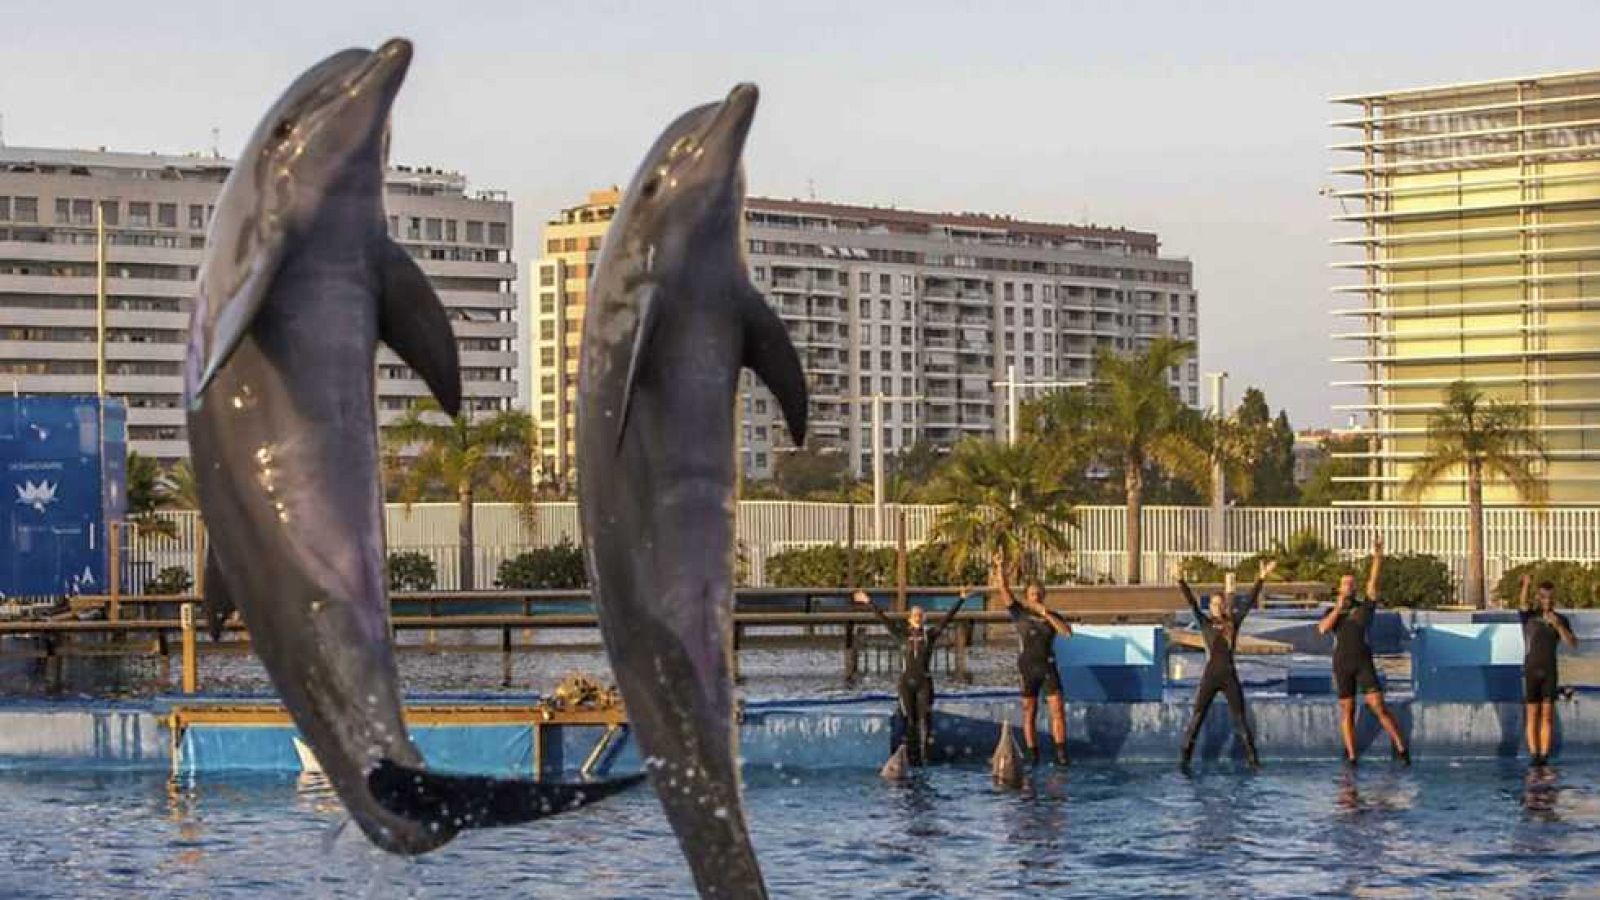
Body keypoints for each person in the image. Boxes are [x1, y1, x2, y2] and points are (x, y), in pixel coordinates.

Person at [1317, 534, 1409, 765]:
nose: (1348, 586)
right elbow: (1323, 629)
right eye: (1345, 584)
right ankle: (1351, 756)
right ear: (1339, 588)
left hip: (1363, 662)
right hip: (1342, 664)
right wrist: (1337, 609)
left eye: (1351, 583)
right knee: (1347, 709)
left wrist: (1377, 558)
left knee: (1378, 706)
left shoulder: (1364, 608)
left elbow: (1372, 584)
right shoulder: (1332, 611)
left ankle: (1401, 747)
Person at [852, 587, 970, 766]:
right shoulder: (901, 635)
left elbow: (947, 619)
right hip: (906, 683)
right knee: (909, 720)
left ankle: (925, 756)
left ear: (924, 618)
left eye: (920, 614)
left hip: (924, 682)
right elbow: (883, 619)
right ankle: (910, 756)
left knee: (924, 720)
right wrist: (869, 601)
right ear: (909, 618)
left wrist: (961, 599)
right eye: (914, 614)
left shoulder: (930, 635)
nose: (917, 616)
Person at [1175, 559, 1276, 769]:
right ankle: (1184, 761)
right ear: (1210, 607)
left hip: (1229, 676)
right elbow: (1191, 602)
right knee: (1197, 718)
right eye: (1213, 604)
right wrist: (1180, 580)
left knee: (1240, 720)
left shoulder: (1232, 623)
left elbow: (1248, 602)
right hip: (1211, 676)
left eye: (1220, 603)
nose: (1217, 607)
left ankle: (1253, 761)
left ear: (1224, 606)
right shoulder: (1205, 622)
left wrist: (1261, 578)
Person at [995, 559, 1073, 766]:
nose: (1035, 597)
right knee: (1029, 710)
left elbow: (1067, 633)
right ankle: (1032, 752)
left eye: (1038, 594)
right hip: (1028, 667)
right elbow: (1003, 589)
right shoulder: (1019, 612)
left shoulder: (1051, 616)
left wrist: (1045, 612)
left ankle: (1061, 752)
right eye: (1032, 594)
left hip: (1047, 666)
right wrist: (1000, 568)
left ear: (1043, 596)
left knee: (1057, 709)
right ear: (1027, 597)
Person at [1518, 574, 1578, 766]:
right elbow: (1522, 604)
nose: (1547, 601)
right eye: (1543, 597)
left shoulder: (1560, 619)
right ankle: (1534, 755)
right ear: (1538, 597)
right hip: (1531, 669)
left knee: (1547, 715)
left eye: (1550, 597)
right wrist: (1526, 585)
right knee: (1532, 714)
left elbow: (1572, 643)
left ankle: (1544, 755)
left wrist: (1558, 626)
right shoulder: (1530, 617)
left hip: (1549, 671)